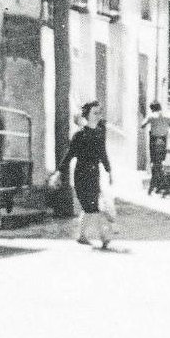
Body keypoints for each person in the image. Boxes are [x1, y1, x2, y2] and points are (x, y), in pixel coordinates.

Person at [49, 101, 113, 249]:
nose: (98, 116)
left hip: (94, 174)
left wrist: (109, 171)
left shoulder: (99, 133)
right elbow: (69, 155)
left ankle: (82, 236)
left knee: (90, 206)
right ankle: (104, 236)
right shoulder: (79, 135)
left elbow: (103, 153)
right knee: (91, 206)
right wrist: (58, 172)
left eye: (99, 113)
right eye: (95, 113)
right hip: (81, 174)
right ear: (87, 115)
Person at [142, 101, 170, 195]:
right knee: (159, 163)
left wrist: (149, 120)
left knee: (155, 164)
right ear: (160, 107)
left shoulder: (151, 116)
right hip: (163, 141)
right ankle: (158, 186)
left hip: (154, 141)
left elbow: (142, 125)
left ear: (152, 109)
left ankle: (157, 186)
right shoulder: (167, 117)